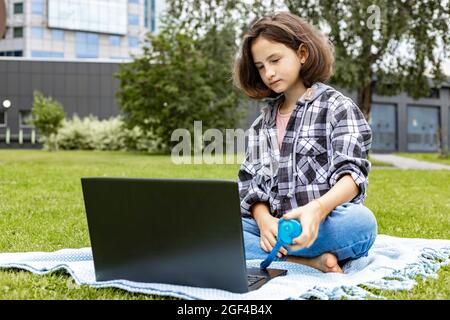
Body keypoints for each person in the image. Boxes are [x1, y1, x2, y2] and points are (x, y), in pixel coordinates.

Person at [233, 12, 377, 273]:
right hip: (274, 229)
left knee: (361, 223)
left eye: (275, 60)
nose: (269, 72)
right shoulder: (260, 125)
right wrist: (264, 220)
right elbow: (251, 185)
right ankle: (306, 261)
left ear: (302, 54)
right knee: (221, 226)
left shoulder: (337, 108)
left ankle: (284, 255)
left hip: (324, 223)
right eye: (261, 66)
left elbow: (353, 176)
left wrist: (318, 209)